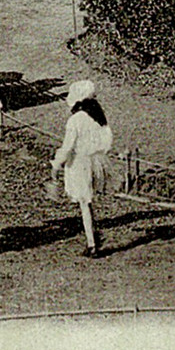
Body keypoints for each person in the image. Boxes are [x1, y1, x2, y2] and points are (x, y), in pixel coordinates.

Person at [51, 81, 113, 256]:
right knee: (87, 202)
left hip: (81, 164)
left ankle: (92, 244)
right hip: (96, 161)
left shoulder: (75, 120)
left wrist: (57, 164)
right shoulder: (98, 117)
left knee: (84, 203)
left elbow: (67, 147)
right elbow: (107, 141)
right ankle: (92, 238)